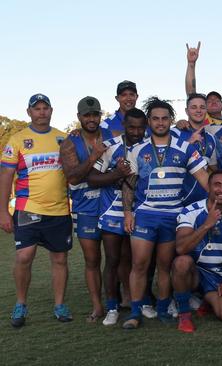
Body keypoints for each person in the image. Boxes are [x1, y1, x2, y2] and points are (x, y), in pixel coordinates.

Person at [121, 97, 210, 329]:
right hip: (146, 215)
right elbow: (129, 183)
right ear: (149, 121)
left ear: (171, 120)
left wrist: (221, 197)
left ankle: (161, 308)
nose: (160, 123)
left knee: (164, 265)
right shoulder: (137, 149)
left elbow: (204, 178)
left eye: (164, 118)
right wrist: (128, 212)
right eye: (156, 119)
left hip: (173, 216)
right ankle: (134, 312)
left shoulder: (185, 148)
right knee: (139, 264)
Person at [0, 94, 73, 327]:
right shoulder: (18, 139)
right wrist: (2, 211)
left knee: (60, 258)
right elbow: (6, 176)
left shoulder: (63, 138)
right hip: (27, 208)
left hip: (60, 210)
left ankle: (59, 305)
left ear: (51, 111)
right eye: (37, 109)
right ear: (29, 112)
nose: (41, 112)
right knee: (24, 256)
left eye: (45, 108)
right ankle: (20, 304)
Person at [87, 108, 147, 326]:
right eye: (132, 127)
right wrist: (116, 175)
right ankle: (112, 307)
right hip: (111, 209)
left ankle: (140, 302)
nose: (136, 132)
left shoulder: (149, 147)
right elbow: (92, 178)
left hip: (139, 209)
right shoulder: (110, 147)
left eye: (141, 128)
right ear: (124, 126)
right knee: (112, 259)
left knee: (137, 260)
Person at [60, 96, 112, 322]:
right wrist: (93, 157)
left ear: (100, 116)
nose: (91, 119)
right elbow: (72, 178)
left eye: (95, 115)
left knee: (115, 258)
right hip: (85, 208)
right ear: (79, 117)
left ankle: (118, 301)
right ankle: (97, 306)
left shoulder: (111, 137)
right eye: (87, 115)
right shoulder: (70, 143)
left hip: (111, 205)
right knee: (92, 260)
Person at [173, 170, 222, 332]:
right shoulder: (191, 211)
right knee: (182, 262)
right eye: (217, 185)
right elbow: (181, 248)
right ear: (208, 188)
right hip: (194, 272)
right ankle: (184, 315)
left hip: (216, 275)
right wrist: (206, 225)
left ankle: (207, 299)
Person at [171, 93, 219, 207]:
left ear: (206, 110)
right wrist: (188, 143)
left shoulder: (211, 138)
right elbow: (166, 161)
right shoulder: (174, 133)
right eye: (194, 107)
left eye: (202, 107)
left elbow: (213, 168)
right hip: (178, 202)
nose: (198, 111)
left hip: (203, 202)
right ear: (187, 111)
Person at [185, 42, 222, 124]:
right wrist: (191, 64)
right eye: (209, 101)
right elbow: (191, 93)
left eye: (217, 100)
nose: (213, 101)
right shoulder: (202, 118)